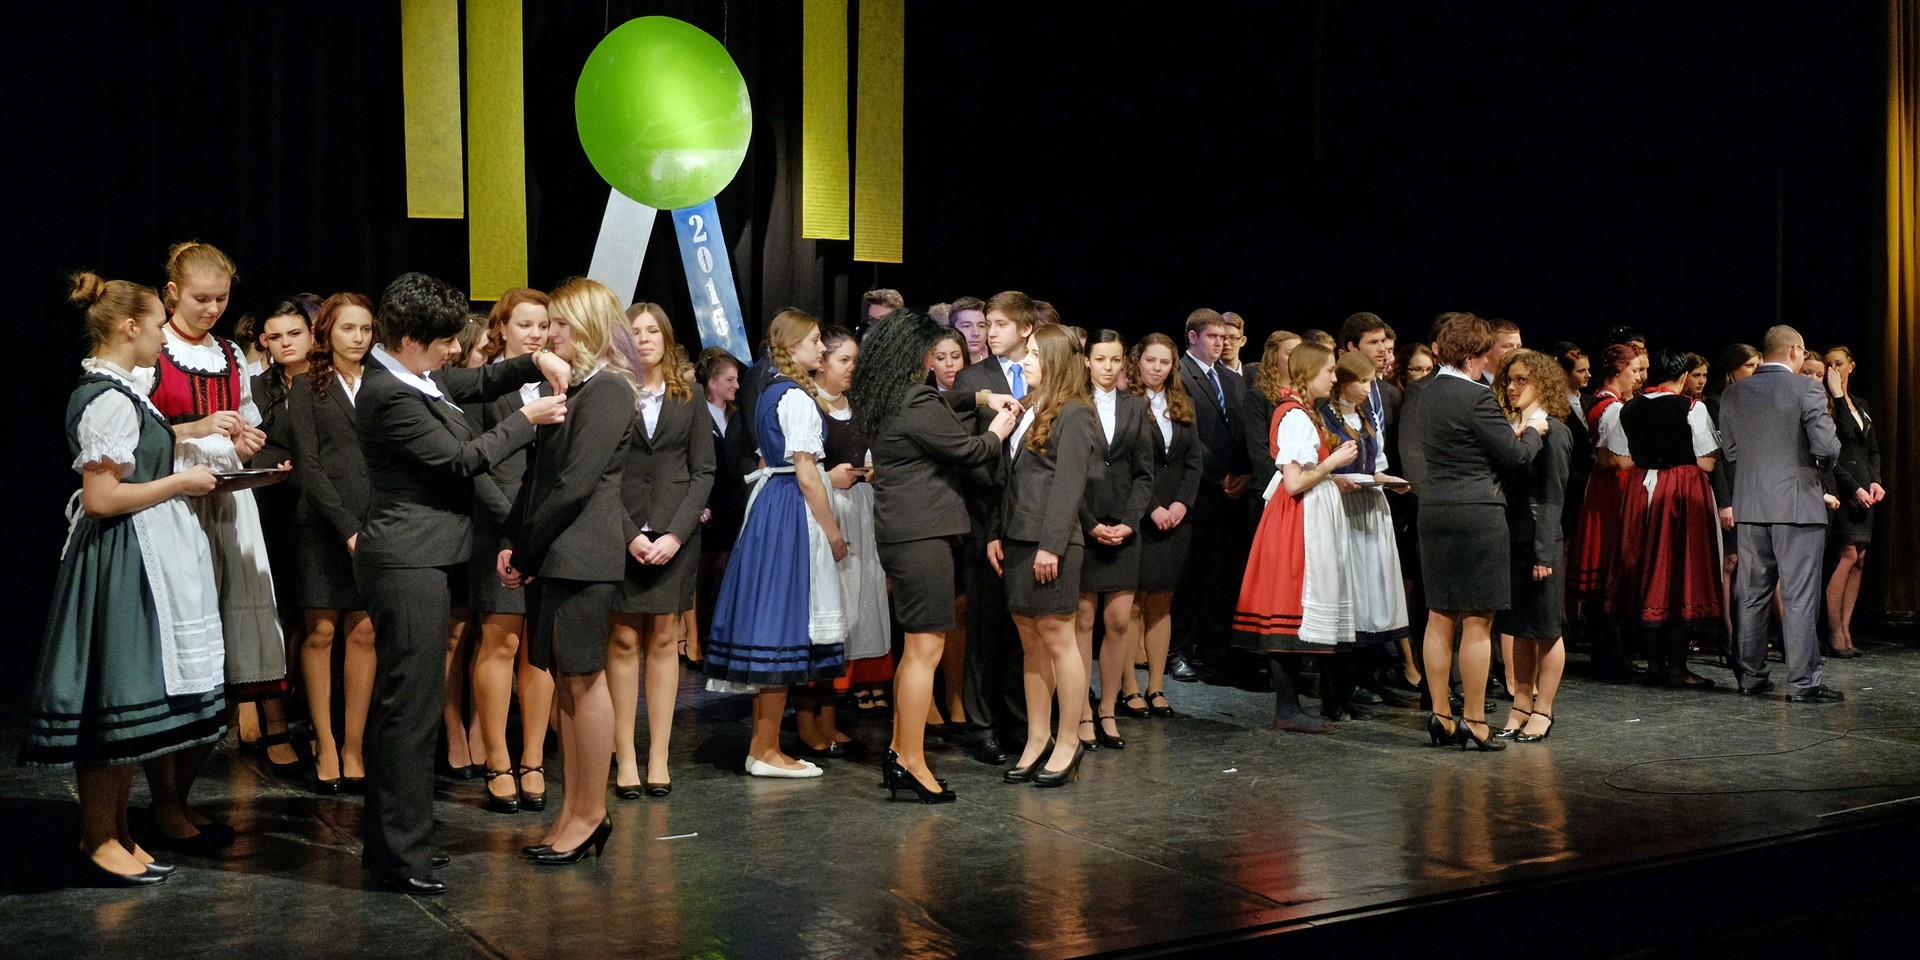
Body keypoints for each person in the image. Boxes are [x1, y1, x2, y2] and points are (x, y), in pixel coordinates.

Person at [355, 272, 570, 894]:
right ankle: (400, 858)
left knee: (408, 708)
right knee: (409, 712)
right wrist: (527, 419)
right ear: (411, 340)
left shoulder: (415, 378)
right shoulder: (389, 394)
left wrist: (534, 360)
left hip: (423, 559)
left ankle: (398, 843)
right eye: (446, 340)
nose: (455, 350)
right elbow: (461, 460)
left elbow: (477, 381)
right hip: (405, 562)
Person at [24, 272, 226, 885]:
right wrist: (181, 481)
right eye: (159, 324)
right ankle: (98, 837)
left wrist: (192, 435)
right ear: (129, 326)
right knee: (114, 705)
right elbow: (102, 497)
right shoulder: (107, 397)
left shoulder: (124, 392)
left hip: (137, 553)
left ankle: (116, 831)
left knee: (130, 706)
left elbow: (141, 448)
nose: (166, 334)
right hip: (119, 559)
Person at [495, 278, 636, 865]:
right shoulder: (575, 388)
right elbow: (539, 478)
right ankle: (574, 811)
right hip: (557, 553)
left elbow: (575, 485)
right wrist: (515, 542)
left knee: (584, 682)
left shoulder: (608, 390)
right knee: (568, 688)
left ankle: (590, 812)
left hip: (582, 557)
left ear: (588, 326)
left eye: (560, 324)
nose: (550, 334)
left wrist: (526, 552)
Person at [147, 241, 282, 851]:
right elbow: (133, 432)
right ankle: (164, 804)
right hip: (171, 504)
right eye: (201, 298)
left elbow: (245, 423)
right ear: (172, 292)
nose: (212, 309)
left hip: (227, 506)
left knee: (229, 659)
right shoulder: (152, 349)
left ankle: (183, 798)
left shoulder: (229, 354)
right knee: (180, 658)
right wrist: (195, 428)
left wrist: (247, 442)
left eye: (222, 299)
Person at [852, 310, 1017, 801]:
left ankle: (900, 753)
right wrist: (1000, 428)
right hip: (923, 535)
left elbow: (946, 400)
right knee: (926, 650)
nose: (935, 360)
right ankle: (911, 760)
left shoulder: (887, 396)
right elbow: (970, 450)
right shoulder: (915, 400)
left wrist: (982, 396)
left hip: (904, 532)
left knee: (916, 650)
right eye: (930, 352)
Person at [705, 309, 849, 777]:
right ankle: (765, 751)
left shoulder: (771, 391)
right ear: (791, 346)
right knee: (782, 627)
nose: (821, 348)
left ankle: (762, 746)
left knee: (775, 625)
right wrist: (833, 533)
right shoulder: (795, 397)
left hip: (773, 505)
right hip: (790, 509)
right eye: (814, 340)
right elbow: (807, 474)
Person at [596, 302, 714, 800]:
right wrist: (629, 534)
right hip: (620, 533)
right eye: (635, 331)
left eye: (652, 331)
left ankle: (659, 756)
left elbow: (703, 471)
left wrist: (675, 534)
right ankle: (625, 756)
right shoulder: (608, 391)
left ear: (666, 338)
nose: (644, 339)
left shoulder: (691, 395)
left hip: (675, 537)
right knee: (623, 642)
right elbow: (599, 473)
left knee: (665, 641)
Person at [1416, 313, 1544, 751]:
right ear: (1472, 356)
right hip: (1476, 513)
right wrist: (1533, 432)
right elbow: (1514, 456)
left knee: (1439, 615)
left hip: (1434, 510)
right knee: (1476, 620)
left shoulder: (1425, 393)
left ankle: (1440, 715)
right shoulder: (1476, 397)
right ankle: (1474, 720)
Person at [991, 323, 1099, 786]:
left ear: (1054, 360)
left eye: (1034, 354)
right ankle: (1037, 739)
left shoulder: (1076, 412)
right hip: (1018, 539)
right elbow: (1010, 478)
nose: (1026, 361)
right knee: (1030, 643)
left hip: (1051, 544)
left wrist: (1051, 545)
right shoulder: (1031, 405)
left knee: (1058, 639)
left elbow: (1069, 485)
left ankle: (1070, 740)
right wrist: (996, 532)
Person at [1232, 342, 1357, 732]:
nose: (1334, 378)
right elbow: (1294, 481)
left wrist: (1335, 478)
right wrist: (1333, 463)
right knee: (1288, 608)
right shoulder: (1294, 416)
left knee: (1306, 609)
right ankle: (1287, 709)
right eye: (1329, 371)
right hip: (1296, 520)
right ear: (1307, 373)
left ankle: (1318, 702)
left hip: (1309, 516)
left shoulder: (1306, 411)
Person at [1717, 326, 1844, 703]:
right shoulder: (1807, 389)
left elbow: (1731, 451)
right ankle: (1804, 683)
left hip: (1751, 505)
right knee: (1800, 597)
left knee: (1751, 595)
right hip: (1798, 506)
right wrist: (1818, 467)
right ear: (1795, 351)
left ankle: (1750, 677)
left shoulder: (1733, 392)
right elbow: (1827, 446)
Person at [285, 294, 380, 794]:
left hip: (376, 525)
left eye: (365, 329)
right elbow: (309, 464)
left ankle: (354, 746)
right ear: (327, 332)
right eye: (348, 328)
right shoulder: (306, 385)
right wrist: (346, 527)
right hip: (323, 528)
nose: (358, 338)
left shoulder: (382, 382)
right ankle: (324, 741)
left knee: (364, 634)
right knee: (320, 633)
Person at [466, 288, 556, 812]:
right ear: (502, 328)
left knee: (538, 649)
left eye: (543, 324)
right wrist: (512, 527)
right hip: (497, 529)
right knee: (500, 642)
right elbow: (473, 466)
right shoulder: (482, 385)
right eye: (525, 324)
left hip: (548, 530)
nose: (536, 333)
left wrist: (540, 528)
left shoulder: (559, 381)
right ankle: (497, 760)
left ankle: (533, 760)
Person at [945, 291, 1039, 765]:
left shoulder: (1044, 375)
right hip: (986, 515)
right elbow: (965, 449)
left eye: (999, 325)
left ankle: (1020, 722)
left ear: (1025, 328)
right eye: (985, 324)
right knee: (984, 624)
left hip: (1031, 516)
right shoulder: (973, 379)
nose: (987, 333)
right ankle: (980, 724)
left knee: (1024, 626)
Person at [795, 326, 888, 757]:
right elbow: (797, 469)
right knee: (821, 619)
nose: (852, 368)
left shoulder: (860, 407)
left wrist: (873, 469)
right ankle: (805, 720)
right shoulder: (806, 404)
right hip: (824, 515)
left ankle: (830, 719)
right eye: (844, 360)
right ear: (823, 362)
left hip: (860, 515)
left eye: (855, 360)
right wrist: (828, 479)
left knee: (847, 620)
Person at [1607, 348, 1724, 689]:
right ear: (1683, 376)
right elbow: (1708, 459)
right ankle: (1677, 666)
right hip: (1679, 490)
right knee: (1680, 571)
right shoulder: (1692, 407)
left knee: (1646, 568)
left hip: (1640, 489)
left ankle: (1656, 663)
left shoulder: (1629, 408)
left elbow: (1621, 456)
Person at [1320, 349, 1412, 714]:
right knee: (1349, 594)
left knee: (1373, 594)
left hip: (1370, 507)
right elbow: (1319, 468)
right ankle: (1340, 689)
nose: (1368, 389)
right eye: (1362, 381)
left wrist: (1390, 481)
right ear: (1342, 381)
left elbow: (1377, 466)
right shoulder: (1324, 416)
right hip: (1342, 507)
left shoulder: (1365, 415)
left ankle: (1366, 678)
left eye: (1371, 381)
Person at [1076, 330, 1154, 750]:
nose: (1108, 367)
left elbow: (1144, 472)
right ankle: (1081, 711)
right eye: (1101, 359)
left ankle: (1108, 709)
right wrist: (1089, 523)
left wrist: (1129, 521)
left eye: (1115, 360)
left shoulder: (1135, 405)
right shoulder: (1073, 402)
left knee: (1120, 620)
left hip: (1124, 526)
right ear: (1087, 360)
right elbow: (1065, 472)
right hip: (1084, 524)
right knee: (1083, 620)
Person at [1490, 350, 1573, 742]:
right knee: (1519, 629)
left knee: (1545, 629)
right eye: (1509, 379)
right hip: (1513, 539)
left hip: (1541, 541)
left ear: (1543, 383)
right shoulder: (1514, 428)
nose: (1512, 386)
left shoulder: (1553, 430)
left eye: (1521, 379)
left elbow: (1552, 497)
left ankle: (1544, 709)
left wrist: (1543, 552)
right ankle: (1520, 705)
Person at [249, 299, 314, 777]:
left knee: (314, 623)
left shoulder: (331, 383)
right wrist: (267, 463)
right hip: (273, 510)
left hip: (322, 514)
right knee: (275, 618)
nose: (286, 342)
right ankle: (273, 723)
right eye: (276, 336)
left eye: (295, 333)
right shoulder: (257, 388)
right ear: (264, 342)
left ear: (312, 334)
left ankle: (311, 719)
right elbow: (245, 447)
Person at [1123, 334, 1204, 719]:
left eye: (1165, 362)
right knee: (1131, 606)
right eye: (1151, 361)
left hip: (1175, 519)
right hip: (1139, 516)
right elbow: (1126, 465)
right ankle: (1128, 687)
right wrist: (1153, 508)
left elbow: (1193, 462)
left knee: (1161, 604)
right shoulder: (1126, 402)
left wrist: (1181, 504)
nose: (1157, 368)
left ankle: (1156, 687)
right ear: (1138, 361)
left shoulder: (1182, 401)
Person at [1170, 308, 1250, 682]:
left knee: (1221, 577)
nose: (1221, 343)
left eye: (1225, 337)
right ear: (1193, 337)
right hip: (1198, 492)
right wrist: (1222, 477)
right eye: (1213, 337)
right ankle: (1179, 651)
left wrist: (1244, 474)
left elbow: (1241, 434)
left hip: (1232, 495)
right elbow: (1187, 436)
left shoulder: (1231, 379)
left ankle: (1215, 649)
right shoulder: (1180, 375)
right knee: (1191, 577)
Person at [1569, 344, 1643, 679]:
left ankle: (1613, 652)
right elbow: (1607, 458)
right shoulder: (1611, 407)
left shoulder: (1609, 402)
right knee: (1610, 565)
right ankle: (1609, 654)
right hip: (1612, 490)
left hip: (1611, 488)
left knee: (1613, 569)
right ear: (1618, 370)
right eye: (1634, 370)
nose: (1637, 377)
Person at [1819, 346, 1883, 658]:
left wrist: (1875, 481)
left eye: (1839, 363)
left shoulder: (1862, 404)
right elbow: (1837, 448)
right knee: (1846, 555)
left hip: (1864, 490)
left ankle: (1846, 628)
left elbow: (1871, 449)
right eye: (1829, 365)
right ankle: (1833, 632)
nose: (1834, 369)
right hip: (1842, 488)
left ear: (1851, 366)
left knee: (1859, 558)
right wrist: (1837, 395)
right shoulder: (1828, 405)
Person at [695, 347, 751, 665]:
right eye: (730, 380)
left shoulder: (737, 416)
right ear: (712, 383)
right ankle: (696, 640)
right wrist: (699, 503)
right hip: (707, 507)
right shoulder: (697, 414)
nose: (736, 386)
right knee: (701, 576)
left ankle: (717, 638)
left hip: (733, 506)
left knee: (724, 572)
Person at [1241, 330, 1302, 527]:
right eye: (1290, 353)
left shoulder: (1310, 396)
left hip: (1305, 488)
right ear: (1273, 357)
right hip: (1272, 489)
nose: (1296, 359)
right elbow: (1259, 452)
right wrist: (1289, 483)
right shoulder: (1258, 397)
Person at [948, 296, 990, 365]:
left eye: (981, 326)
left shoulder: (1000, 367)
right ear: (952, 330)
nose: (976, 333)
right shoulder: (942, 369)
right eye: (967, 326)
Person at [926, 326, 968, 392]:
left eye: (955, 356)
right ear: (930, 363)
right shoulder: (921, 395)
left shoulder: (978, 390)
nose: (949, 363)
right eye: (941, 358)